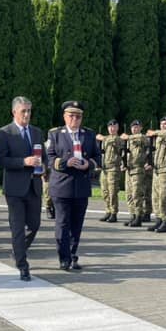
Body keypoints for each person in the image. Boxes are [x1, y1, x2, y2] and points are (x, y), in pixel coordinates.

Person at [0, 96, 46, 281]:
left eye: (29, 111)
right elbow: (0, 159)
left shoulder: (37, 132)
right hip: (15, 188)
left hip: (34, 186)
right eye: (23, 111)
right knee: (17, 228)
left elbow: (44, 156)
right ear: (14, 112)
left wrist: (44, 167)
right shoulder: (5, 133)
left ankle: (18, 249)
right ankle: (23, 265)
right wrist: (23, 162)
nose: (27, 114)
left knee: (34, 225)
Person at [47, 101, 100, 270]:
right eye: (71, 116)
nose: (75, 119)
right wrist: (65, 162)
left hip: (81, 186)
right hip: (62, 186)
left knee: (77, 224)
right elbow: (48, 158)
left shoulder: (89, 135)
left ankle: (72, 254)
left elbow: (97, 158)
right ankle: (64, 257)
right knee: (62, 223)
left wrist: (88, 165)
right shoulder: (55, 134)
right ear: (64, 116)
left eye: (78, 116)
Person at [121, 120, 148, 227]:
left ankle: (138, 216)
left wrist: (129, 137)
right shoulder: (128, 141)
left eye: (137, 127)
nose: (134, 129)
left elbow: (144, 139)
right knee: (129, 195)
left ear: (141, 128)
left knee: (137, 194)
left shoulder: (141, 138)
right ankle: (132, 215)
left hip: (138, 170)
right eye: (133, 127)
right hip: (129, 169)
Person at [96, 120, 123, 222]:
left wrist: (103, 138)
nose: (112, 128)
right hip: (105, 168)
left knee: (112, 192)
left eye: (114, 126)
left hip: (113, 169)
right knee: (105, 191)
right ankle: (108, 210)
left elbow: (115, 142)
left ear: (117, 128)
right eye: (110, 127)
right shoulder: (105, 140)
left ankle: (113, 212)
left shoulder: (117, 139)